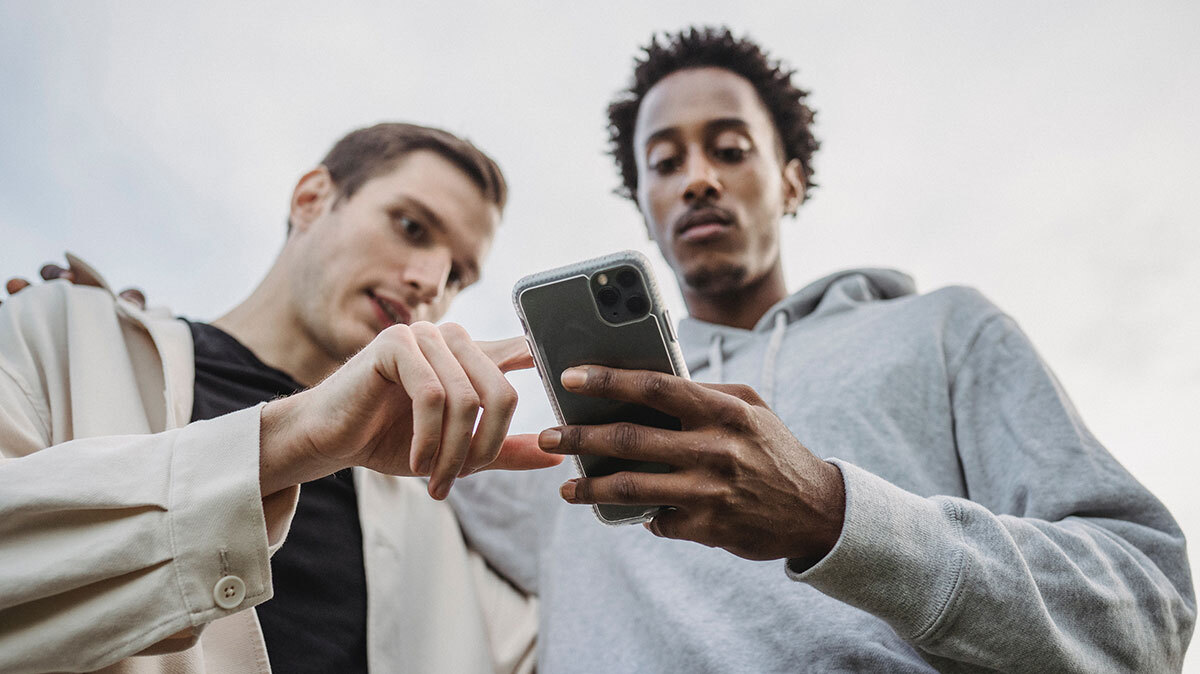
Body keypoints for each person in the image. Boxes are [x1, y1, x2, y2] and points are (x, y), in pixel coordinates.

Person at [449, 27, 1195, 671]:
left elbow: (1147, 613)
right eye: (666, 164)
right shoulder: (560, 437)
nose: (699, 179)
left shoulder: (943, 330)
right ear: (645, 210)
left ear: (791, 182)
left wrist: (834, 516)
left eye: (730, 149)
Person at [0, 122, 559, 673]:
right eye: (411, 227)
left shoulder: (437, 523)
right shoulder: (63, 335)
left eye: (458, 275)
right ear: (312, 199)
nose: (432, 284)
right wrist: (288, 442)